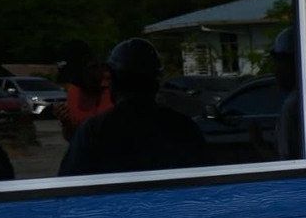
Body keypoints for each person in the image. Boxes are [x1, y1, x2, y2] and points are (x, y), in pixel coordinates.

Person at [59, 38, 207, 176]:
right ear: (156, 82)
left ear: (113, 80)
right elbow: (203, 182)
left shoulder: (93, 131)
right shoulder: (184, 128)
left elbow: (69, 183)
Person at [270, 26, 306, 161]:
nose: (276, 71)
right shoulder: (302, 99)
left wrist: (257, 142)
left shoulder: (293, 105)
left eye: (279, 63)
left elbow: (286, 163)